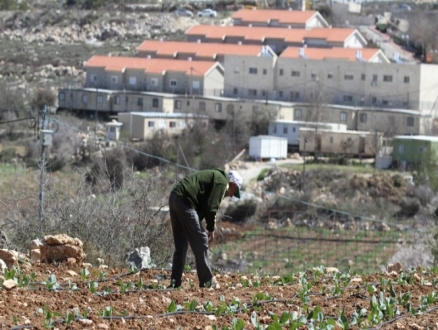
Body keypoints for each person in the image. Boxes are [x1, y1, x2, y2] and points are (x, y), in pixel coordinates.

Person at [168, 168, 243, 288]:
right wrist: (211, 229)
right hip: (185, 201)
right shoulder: (222, 183)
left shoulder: (217, 178)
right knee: (202, 240)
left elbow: (202, 208)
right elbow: (211, 208)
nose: (232, 194)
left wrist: (206, 225)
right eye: (235, 190)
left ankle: (174, 283)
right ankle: (207, 282)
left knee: (181, 244)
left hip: (174, 197)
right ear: (233, 184)